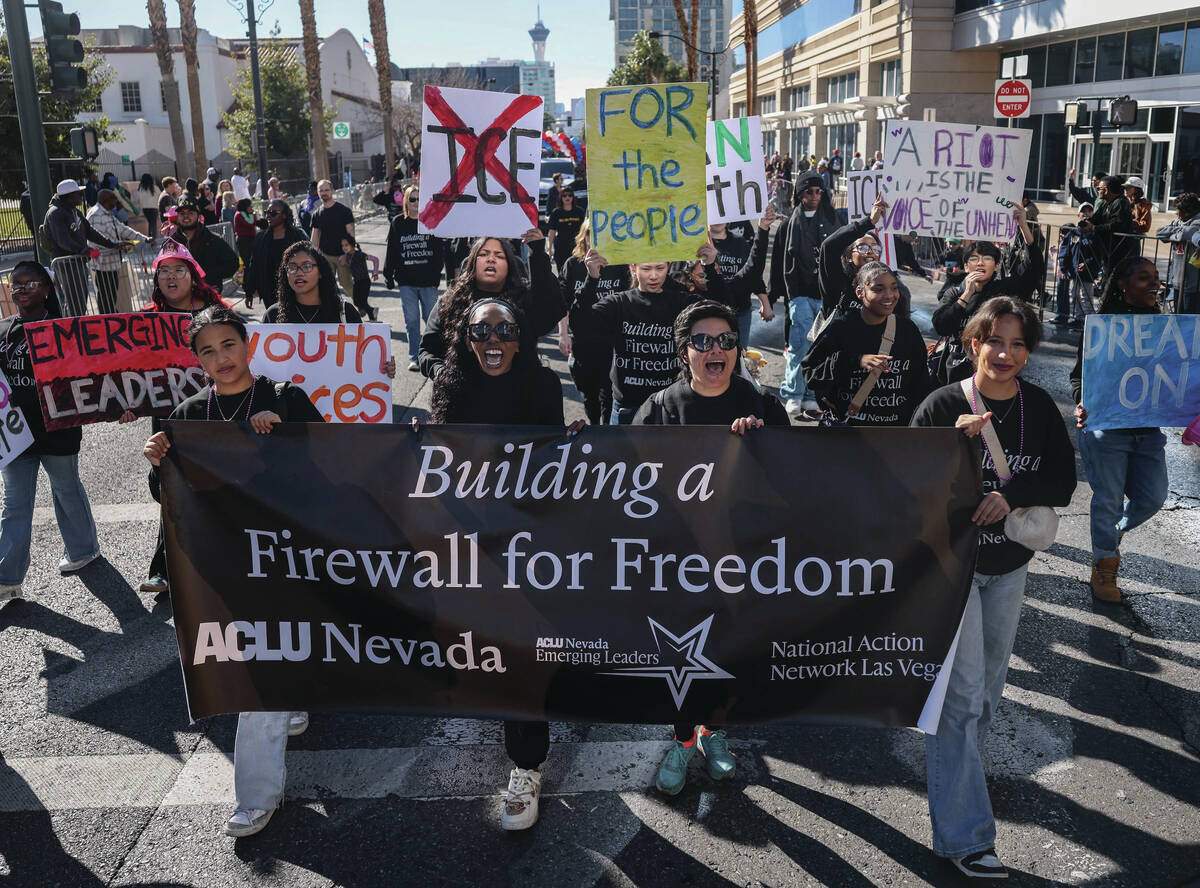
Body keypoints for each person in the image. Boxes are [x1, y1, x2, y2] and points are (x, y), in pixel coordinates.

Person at [911, 296, 1075, 881]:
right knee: (962, 700)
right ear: (972, 343)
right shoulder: (942, 405)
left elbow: (1063, 478)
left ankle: (957, 781)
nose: (1004, 354)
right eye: (994, 341)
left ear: (1028, 352)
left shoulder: (1039, 408)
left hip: (1009, 568)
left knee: (986, 696)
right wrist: (951, 447)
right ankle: (965, 835)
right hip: (952, 570)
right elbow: (908, 487)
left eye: (1017, 344)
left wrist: (1014, 489)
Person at [142, 306, 322, 837]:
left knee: (259, 670)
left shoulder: (285, 399)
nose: (220, 358)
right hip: (224, 560)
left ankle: (255, 794)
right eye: (207, 351)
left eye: (228, 345)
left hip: (286, 556)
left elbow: (328, 473)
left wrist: (285, 439)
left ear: (249, 346)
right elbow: (171, 500)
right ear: (197, 360)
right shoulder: (188, 414)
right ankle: (286, 703)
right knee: (261, 661)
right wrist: (159, 465)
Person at [427, 297, 581, 831]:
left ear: (520, 338)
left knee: (523, 650)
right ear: (467, 339)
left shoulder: (542, 386)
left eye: (504, 328)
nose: (493, 339)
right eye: (481, 329)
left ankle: (526, 766)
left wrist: (577, 446)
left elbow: (550, 457)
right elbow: (437, 466)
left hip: (528, 539)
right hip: (473, 542)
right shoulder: (451, 386)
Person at [630, 299, 787, 793]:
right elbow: (624, 476)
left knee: (725, 651)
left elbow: (798, 477)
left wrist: (763, 446)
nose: (714, 349)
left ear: (737, 350)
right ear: (684, 352)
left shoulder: (762, 405)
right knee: (680, 655)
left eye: (725, 340)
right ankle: (680, 740)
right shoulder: (659, 407)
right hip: (676, 563)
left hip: (739, 560)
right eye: (701, 341)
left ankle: (714, 733)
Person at [133, 242, 230, 595]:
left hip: (216, 413)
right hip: (168, 419)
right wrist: (125, 401)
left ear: (193, 276)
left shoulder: (217, 313)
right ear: (156, 278)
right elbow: (129, 373)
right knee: (172, 485)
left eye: (179, 270)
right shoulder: (145, 320)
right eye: (164, 271)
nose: (171, 277)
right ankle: (166, 568)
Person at [1070, 256, 1170, 602]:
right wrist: (1082, 401)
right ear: (1123, 285)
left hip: (1148, 430)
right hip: (1106, 430)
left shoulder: (1167, 328)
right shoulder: (1102, 325)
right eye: (1144, 278)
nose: (1155, 284)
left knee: (1154, 497)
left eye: (1156, 278)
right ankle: (1105, 566)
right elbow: (1078, 376)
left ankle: (1111, 537)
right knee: (1108, 500)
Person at [0, 262, 100, 603]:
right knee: (14, 505)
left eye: (31, 283)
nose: (22, 289)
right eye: (16, 284)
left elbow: (90, 373)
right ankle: (7, 578)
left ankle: (84, 550)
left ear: (46, 289)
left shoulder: (64, 331)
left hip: (57, 432)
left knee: (66, 490)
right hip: (15, 436)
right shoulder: (3, 331)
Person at [570, 239, 731, 423]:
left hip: (670, 405)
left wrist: (710, 267)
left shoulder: (681, 302)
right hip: (627, 408)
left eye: (660, 268)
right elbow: (580, 325)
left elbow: (721, 309)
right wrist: (591, 279)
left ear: (668, 267)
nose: (653, 276)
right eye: (646, 269)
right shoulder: (619, 303)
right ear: (633, 268)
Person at [418, 231, 563, 381]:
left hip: (518, 393)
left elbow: (548, 319)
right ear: (472, 263)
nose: (491, 259)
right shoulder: (450, 302)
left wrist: (538, 253)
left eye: (499, 256)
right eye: (484, 254)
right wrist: (443, 374)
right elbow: (428, 350)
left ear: (509, 265)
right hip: (465, 394)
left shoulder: (523, 299)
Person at [803, 261, 929, 425]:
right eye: (878, 289)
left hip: (895, 435)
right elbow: (810, 373)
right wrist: (856, 361)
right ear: (860, 292)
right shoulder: (841, 328)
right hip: (847, 434)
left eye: (894, 287)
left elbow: (921, 384)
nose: (889, 295)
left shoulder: (908, 330)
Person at [930, 208, 1039, 385]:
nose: (980, 263)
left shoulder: (1004, 291)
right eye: (974, 259)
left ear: (996, 266)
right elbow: (941, 326)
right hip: (955, 373)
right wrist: (966, 296)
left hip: (994, 371)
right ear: (966, 267)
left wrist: (1024, 228)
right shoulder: (953, 291)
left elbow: (1032, 272)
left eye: (987, 258)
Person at [779, 169, 840, 417]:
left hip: (826, 295)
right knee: (799, 345)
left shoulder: (833, 219)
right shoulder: (789, 223)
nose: (814, 196)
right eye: (808, 191)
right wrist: (781, 296)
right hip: (801, 293)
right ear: (799, 194)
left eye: (818, 191)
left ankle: (811, 395)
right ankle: (793, 393)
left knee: (819, 348)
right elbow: (783, 263)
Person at [560, 218, 630, 425]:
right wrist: (563, 334)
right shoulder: (573, 265)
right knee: (589, 394)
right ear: (584, 236)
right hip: (583, 340)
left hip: (612, 341)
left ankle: (606, 435)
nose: (596, 239)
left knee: (608, 393)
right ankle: (594, 425)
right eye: (591, 233)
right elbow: (563, 304)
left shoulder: (620, 265)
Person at [384, 185, 444, 371]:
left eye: (419, 199)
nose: (416, 203)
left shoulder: (430, 222)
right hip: (406, 281)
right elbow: (392, 250)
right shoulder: (397, 223)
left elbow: (438, 253)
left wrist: (435, 276)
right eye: (412, 199)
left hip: (428, 282)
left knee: (431, 319)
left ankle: (436, 353)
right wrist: (388, 274)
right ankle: (414, 357)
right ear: (406, 201)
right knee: (411, 321)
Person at [709, 207, 776, 346]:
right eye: (713, 215)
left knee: (740, 356)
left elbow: (753, 273)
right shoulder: (698, 245)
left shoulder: (740, 243)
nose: (717, 220)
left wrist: (766, 303)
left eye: (721, 214)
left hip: (741, 312)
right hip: (709, 313)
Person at [264, 241, 363, 324]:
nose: (299, 273)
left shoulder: (346, 313)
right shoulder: (273, 315)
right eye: (292, 267)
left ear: (320, 272)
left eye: (306, 266)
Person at [86, 189, 152, 313]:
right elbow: (95, 241)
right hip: (103, 265)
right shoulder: (96, 215)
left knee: (111, 296)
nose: (116, 201)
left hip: (114, 264)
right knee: (106, 297)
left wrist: (145, 239)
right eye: (114, 198)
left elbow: (123, 230)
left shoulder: (108, 213)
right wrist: (116, 245)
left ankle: (111, 315)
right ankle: (106, 320)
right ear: (106, 200)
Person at [243, 200, 307, 311]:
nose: (268, 216)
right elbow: (254, 266)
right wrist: (249, 292)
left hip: (294, 289)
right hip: (268, 290)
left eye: (273, 213)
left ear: (284, 215)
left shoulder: (298, 236)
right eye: (267, 212)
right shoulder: (261, 238)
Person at [168, 197, 239, 291]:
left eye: (190, 213)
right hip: (181, 297)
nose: (186, 216)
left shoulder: (213, 239)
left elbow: (233, 264)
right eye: (182, 213)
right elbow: (164, 271)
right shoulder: (172, 244)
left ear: (198, 216)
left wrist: (210, 278)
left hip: (209, 296)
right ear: (178, 217)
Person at [1050, 204, 1100, 327]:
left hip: (1087, 272)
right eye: (1083, 212)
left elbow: (1098, 253)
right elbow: (1064, 251)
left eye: (1089, 211)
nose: (1086, 214)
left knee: (1086, 297)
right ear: (1078, 215)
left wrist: (1087, 263)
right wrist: (1064, 267)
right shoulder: (1072, 234)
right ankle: (1079, 319)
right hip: (1073, 271)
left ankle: (1089, 322)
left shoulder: (1095, 234)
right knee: (1075, 295)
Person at [309, 179, 357, 298]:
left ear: (332, 191)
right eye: (321, 190)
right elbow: (314, 237)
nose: (324, 193)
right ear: (318, 193)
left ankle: (363, 307)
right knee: (326, 286)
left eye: (326, 190)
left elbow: (351, 234)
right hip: (325, 256)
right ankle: (334, 312)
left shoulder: (344, 211)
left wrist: (348, 254)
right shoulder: (316, 214)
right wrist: (312, 256)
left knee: (346, 284)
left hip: (342, 255)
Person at [1081, 174, 1134, 277]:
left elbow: (1116, 225)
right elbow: (1095, 218)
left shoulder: (1121, 202)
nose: (1097, 191)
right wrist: (1085, 224)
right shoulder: (1105, 202)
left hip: (1118, 251)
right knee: (1106, 278)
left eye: (1099, 188)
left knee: (1113, 281)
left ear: (1106, 190)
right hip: (1107, 250)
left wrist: (1093, 228)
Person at [1156, 191, 1200, 314]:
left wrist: (1174, 233)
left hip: (1193, 282)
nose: (1176, 213)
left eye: (1178, 210)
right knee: (1177, 314)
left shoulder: (1197, 221)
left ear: (1188, 211)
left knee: (1189, 317)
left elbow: (1188, 233)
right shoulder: (1179, 221)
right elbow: (1160, 233)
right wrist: (1179, 233)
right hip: (1177, 279)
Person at [339, 234, 380, 322]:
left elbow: (375, 259)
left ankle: (372, 315)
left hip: (364, 281)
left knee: (362, 301)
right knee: (357, 301)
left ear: (352, 245)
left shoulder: (360, 254)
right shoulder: (348, 256)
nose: (344, 247)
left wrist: (375, 272)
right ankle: (372, 311)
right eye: (342, 246)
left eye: (346, 245)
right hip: (357, 282)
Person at [546, 188, 585, 274]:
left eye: (570, 195)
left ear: (573, 197)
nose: (567, 197)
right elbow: (551, 232)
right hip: (561, 247)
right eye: (564, 195)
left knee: (577, 272)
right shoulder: (556, 212)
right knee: (562, 272)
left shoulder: (579, 212)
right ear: (561, 198)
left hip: (577, 247)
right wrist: (549, 249)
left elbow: (585, 231)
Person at [232, 198, 257, 271]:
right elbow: (250, 223)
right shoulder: (239, 214)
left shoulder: (247, 213)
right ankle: (246, 280)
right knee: (247, 262)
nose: (252, 208)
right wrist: (252, 214)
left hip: (251, 239)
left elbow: (254, 223)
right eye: (250, 206)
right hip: (244, 241)